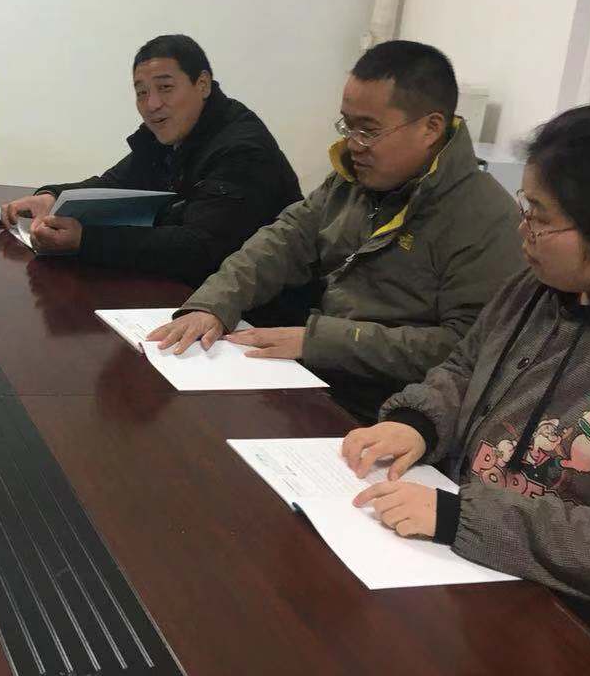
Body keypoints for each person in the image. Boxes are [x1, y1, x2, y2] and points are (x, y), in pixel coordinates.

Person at [342, 105, 590, 676]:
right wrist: (418, 423)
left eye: (540, 219)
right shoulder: (543, 287)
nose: (523, 233)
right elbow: (467, 367)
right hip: (480, 577)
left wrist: (460, 517)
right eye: (525, 209)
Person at [149, 40, 523, 422]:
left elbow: (466, 346)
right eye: (348, 125)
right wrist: (212, 304)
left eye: (369, 131)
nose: (353, 144)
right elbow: (283, 241)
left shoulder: (485, 218)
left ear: (430, 128)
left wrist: (318, 341)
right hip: (317, 378)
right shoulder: (352, 181)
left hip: (396, 412)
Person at [0, 35, 312, 320]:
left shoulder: (242, 148)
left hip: (255, 314)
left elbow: (200, 248)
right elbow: (115, 183)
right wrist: (51, 197)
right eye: (142, 93)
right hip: (185, 293)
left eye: (165, 88)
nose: (152, 105)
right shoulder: (170, 132)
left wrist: (85, 240)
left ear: (203, 84)